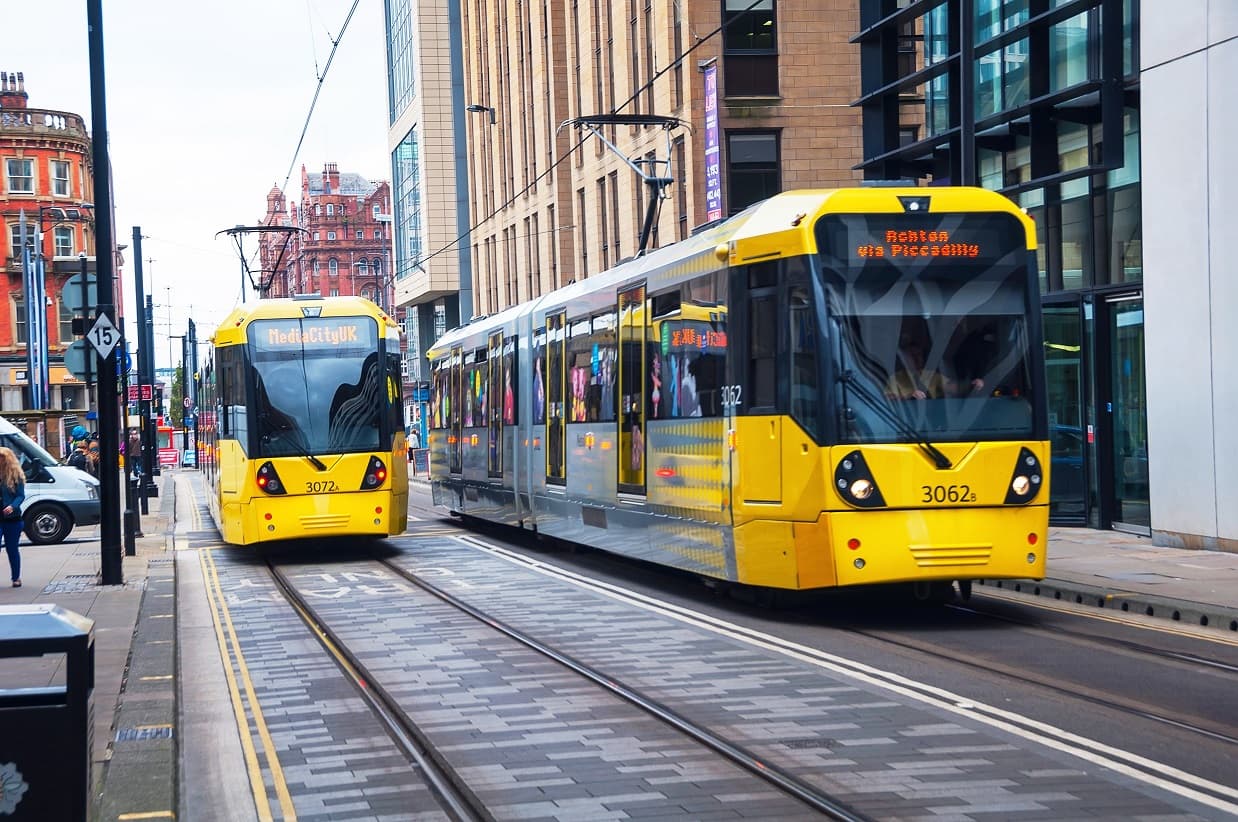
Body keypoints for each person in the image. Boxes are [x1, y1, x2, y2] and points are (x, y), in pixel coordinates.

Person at [886, 335, 950, 400]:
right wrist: (909, 396)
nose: (917, 358)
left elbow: (952, 387)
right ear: (905, 359)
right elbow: (886, 398)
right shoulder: (896, 379)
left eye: (919, 354)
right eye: (912, 355)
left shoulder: (931, 376)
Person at [0, 446, 26, 588]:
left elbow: (20, 495)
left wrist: (12, 506)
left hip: (12, 518)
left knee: (12, 549)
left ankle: (16, 578)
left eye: (1, 457)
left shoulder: (16, 475)